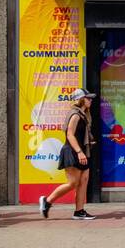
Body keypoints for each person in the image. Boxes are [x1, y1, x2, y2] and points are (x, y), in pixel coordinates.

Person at [40, 88, 97, 220]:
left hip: (83, 151)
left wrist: (88, 144)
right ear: (80, 99)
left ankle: (79, 211)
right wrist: (79, 152)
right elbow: (69, 134)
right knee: (72, 183)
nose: (90, 100)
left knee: (83, 181)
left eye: (90, 98)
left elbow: (79, 134)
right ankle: (47, 201)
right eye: (88, 98)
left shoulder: (84, 114)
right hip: (73, 151)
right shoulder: (75, 114)